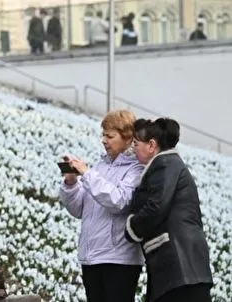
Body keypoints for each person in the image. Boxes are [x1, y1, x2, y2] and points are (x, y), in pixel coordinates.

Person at [59, 110, 144, 302]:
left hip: (119, 259)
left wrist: (87, 174)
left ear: (127, 138)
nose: (104, 140)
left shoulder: (136, 168)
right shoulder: (101, 166)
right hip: (92, 255)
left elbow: (119, 201)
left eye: (110, 136)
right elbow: (80, 209)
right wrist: (71, 183)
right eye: (103, 135)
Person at [126, 118, 213, 302]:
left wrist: (132, 228)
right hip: (185, 268)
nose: (133, 149)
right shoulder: (169, 164)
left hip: (178, 267)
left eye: (136, 143)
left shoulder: (164, 164)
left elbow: (156, 206)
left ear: (151, 145)